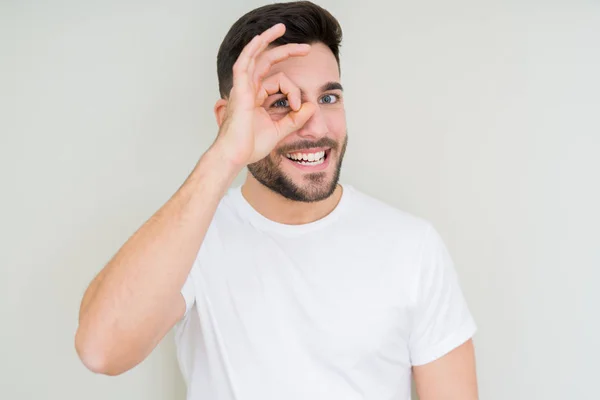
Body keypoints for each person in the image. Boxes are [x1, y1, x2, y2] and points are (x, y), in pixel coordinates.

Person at [75, 1, 478, 399]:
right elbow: (101, 350)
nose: (314, 125)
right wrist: (225, 155)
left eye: (328, 98)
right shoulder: (194, 238)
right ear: (228, 118)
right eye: (281, 102)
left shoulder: (412, 247)